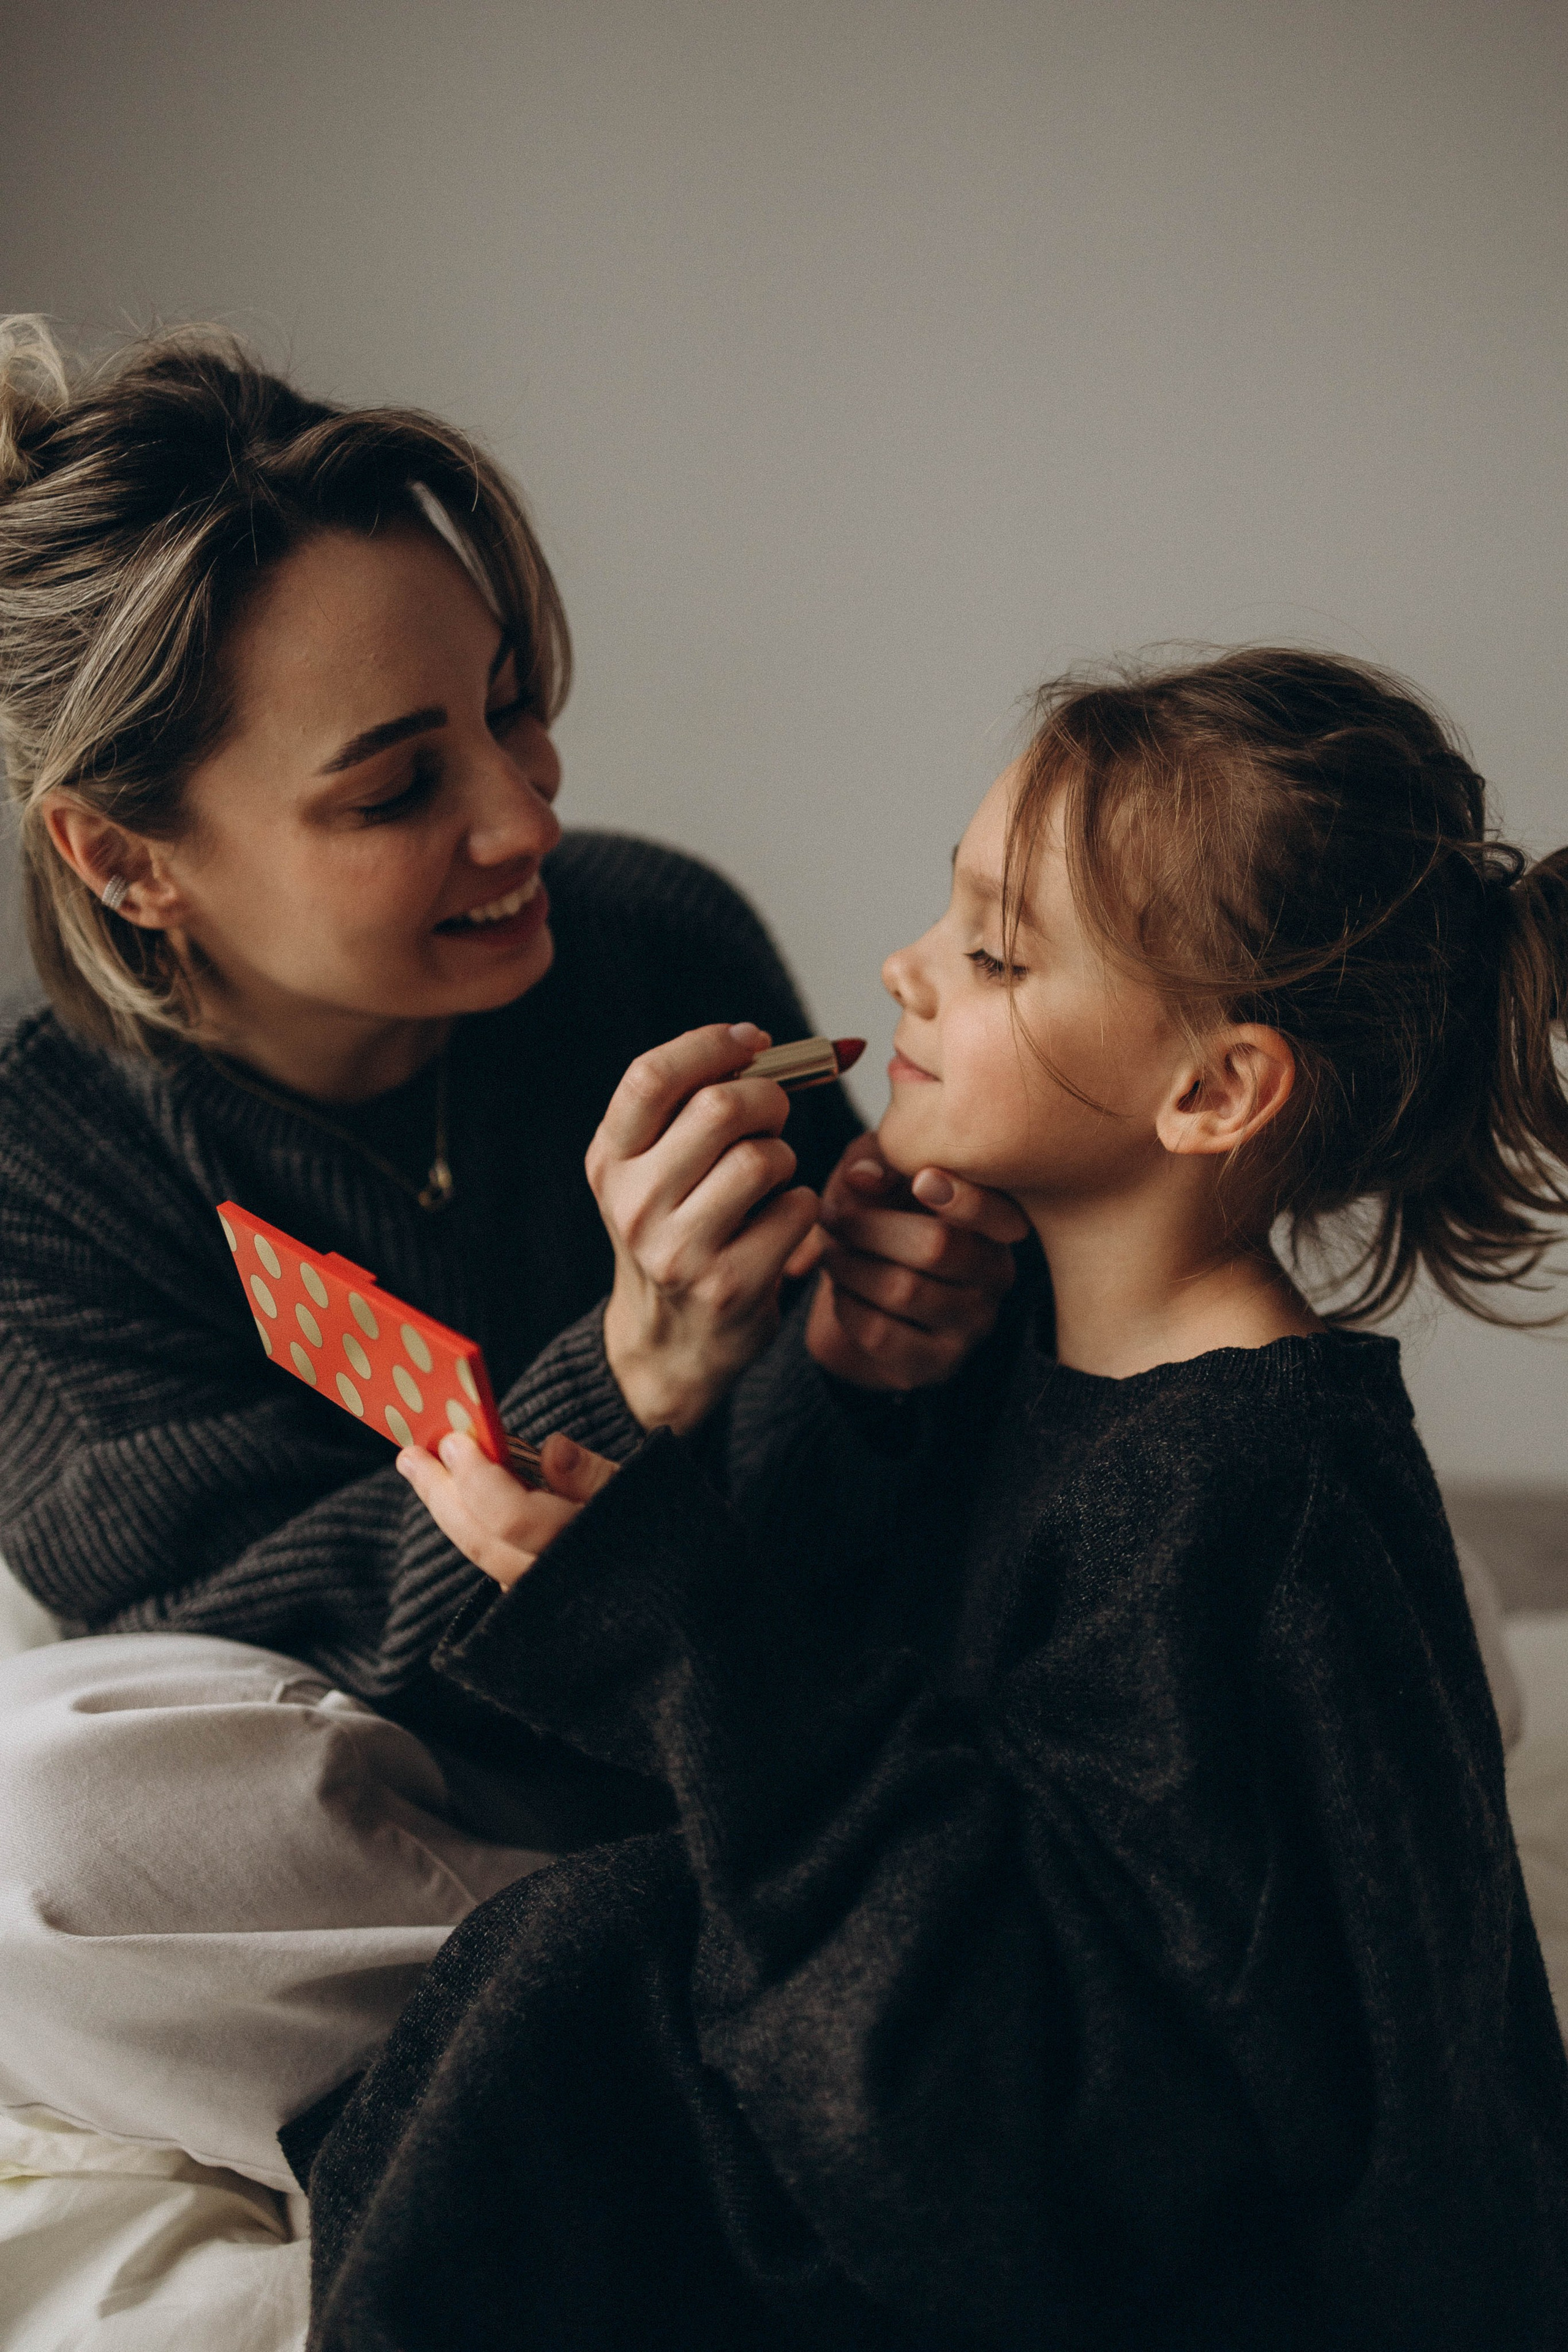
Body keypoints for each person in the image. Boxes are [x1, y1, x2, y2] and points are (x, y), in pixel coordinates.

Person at [298, 649, 1568, 2350]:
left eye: (993, 952)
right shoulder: (1055, 1358)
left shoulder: (1260, 1501)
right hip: (911, 2102)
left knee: (580, 1973)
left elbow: (1075, 2109)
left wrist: (668, 1620)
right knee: (561, 1968)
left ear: (1213, 1091)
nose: (902, 969)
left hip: (1056, 2221)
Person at [0, 318, 1025, 2185]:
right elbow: (241, 1646)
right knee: (40, 1824)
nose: (526, 815)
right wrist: (625, 1381)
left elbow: (840, 1531)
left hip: (754, 1711)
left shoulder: (644, 937)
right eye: (398, 788)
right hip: (425, 1800)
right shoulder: (40, 1171)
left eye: (512, 703)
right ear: (125, 859)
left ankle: (743, 1996)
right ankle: (795, 1998)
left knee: (1311, 1541)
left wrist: (884, 1357)